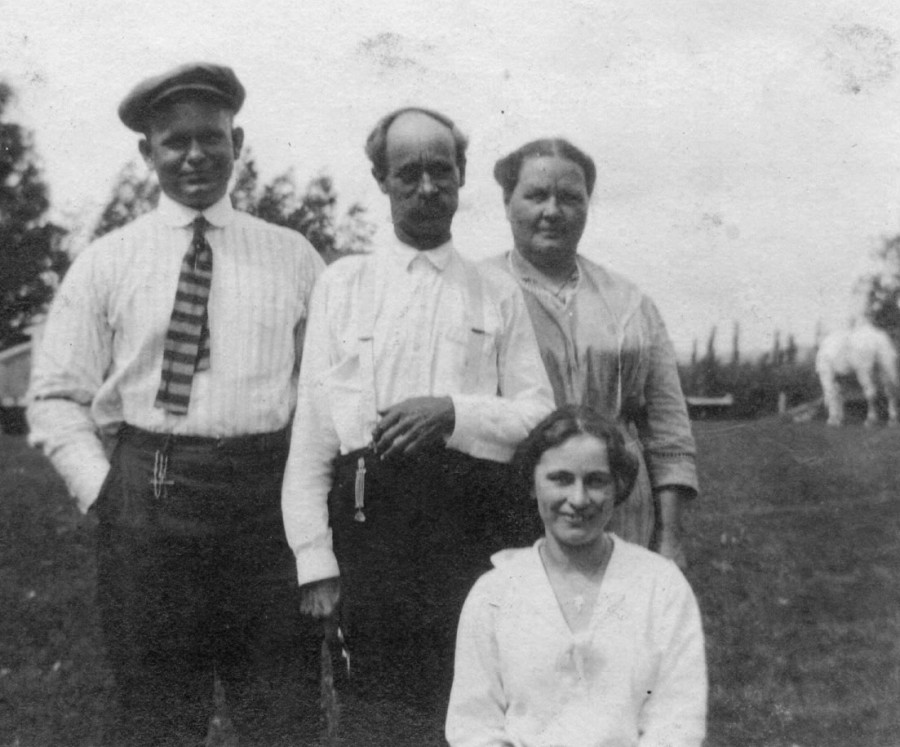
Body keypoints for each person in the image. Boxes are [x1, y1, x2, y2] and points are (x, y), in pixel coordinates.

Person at [27, 63, 325, 746]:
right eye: (175, 141)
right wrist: (103, 490)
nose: (195, 155)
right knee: (156, 713)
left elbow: (324, 392)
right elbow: (54, 394)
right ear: (147, 153)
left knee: (282, 708)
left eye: (211, 138)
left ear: (237, 141)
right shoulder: (108, 261)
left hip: (266, 503)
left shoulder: (293, 257)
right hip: (148, 499)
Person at [281, 107, 554, 716]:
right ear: (381, 179)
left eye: (442, 170)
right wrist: (316, 562)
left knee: (478, 707)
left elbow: (539, 414)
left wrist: (454, 412)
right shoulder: (344, 286)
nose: (427, 187)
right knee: (379, 710)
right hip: (371, 533)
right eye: (408, 173)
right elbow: (313, 440)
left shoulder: (499, 290)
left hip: (474, 529)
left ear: (461, 175)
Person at [486, 138, 698, 566]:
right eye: (536, 195)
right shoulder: (477, 292)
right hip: (513, 512)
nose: (552, 211)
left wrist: (670, 540)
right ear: (508, 202)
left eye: (569, 198)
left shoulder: (629, 302)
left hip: (620, 512)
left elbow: (668, 432)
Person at [446, 405, 708, 747]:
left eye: (596, 481)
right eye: (561, 479)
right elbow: (474, 726)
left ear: (619, 486)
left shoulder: (660, 585)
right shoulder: (495, 592)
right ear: (532, 483)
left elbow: (677, 722)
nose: (578, 499)